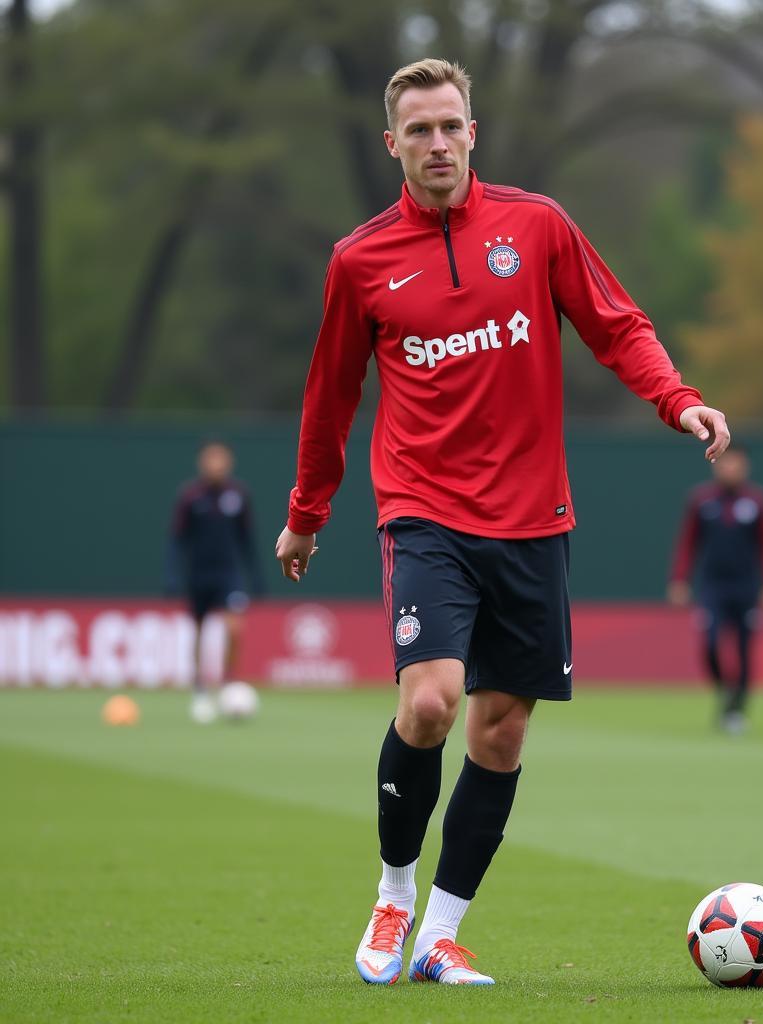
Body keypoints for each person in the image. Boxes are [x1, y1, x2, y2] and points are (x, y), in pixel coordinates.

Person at [274, 58, 731, 987]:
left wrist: (676, 401)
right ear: (391, 142)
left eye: (451, 126)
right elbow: (330, 399)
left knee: (501, 735)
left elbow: (617, 325)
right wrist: (306, 514)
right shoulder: (360, 260)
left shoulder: (538, 226)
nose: (437, 144)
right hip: (425, 513)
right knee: (431, 702)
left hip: (532, 520)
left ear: (472, 133)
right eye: (419, 131)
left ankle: (442, 935)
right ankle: (395, 894)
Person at [667, 444, 763, 734]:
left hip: (746, 587)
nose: (729, 469)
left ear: (745, 467)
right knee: (709, 644)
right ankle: (725, 691)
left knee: (744, 649)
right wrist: (680, 579)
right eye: (725, 463)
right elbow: (687, 543)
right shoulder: (702, 501)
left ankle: (736, 709)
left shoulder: (758, 502)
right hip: (712, 587)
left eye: (735, 464)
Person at [167, 440, 263, 723]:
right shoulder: (190, 497)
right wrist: (172, 575)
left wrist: (256, 576)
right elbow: (177, 540)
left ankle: (229, 683)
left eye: (221, 459)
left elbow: (247, 540)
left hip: (228, 574)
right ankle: (199, 687)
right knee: (198, 630)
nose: (216, 465)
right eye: (211, 459)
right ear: (202, 463)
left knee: (234, 628)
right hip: (198, 574)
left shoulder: (238, 496)